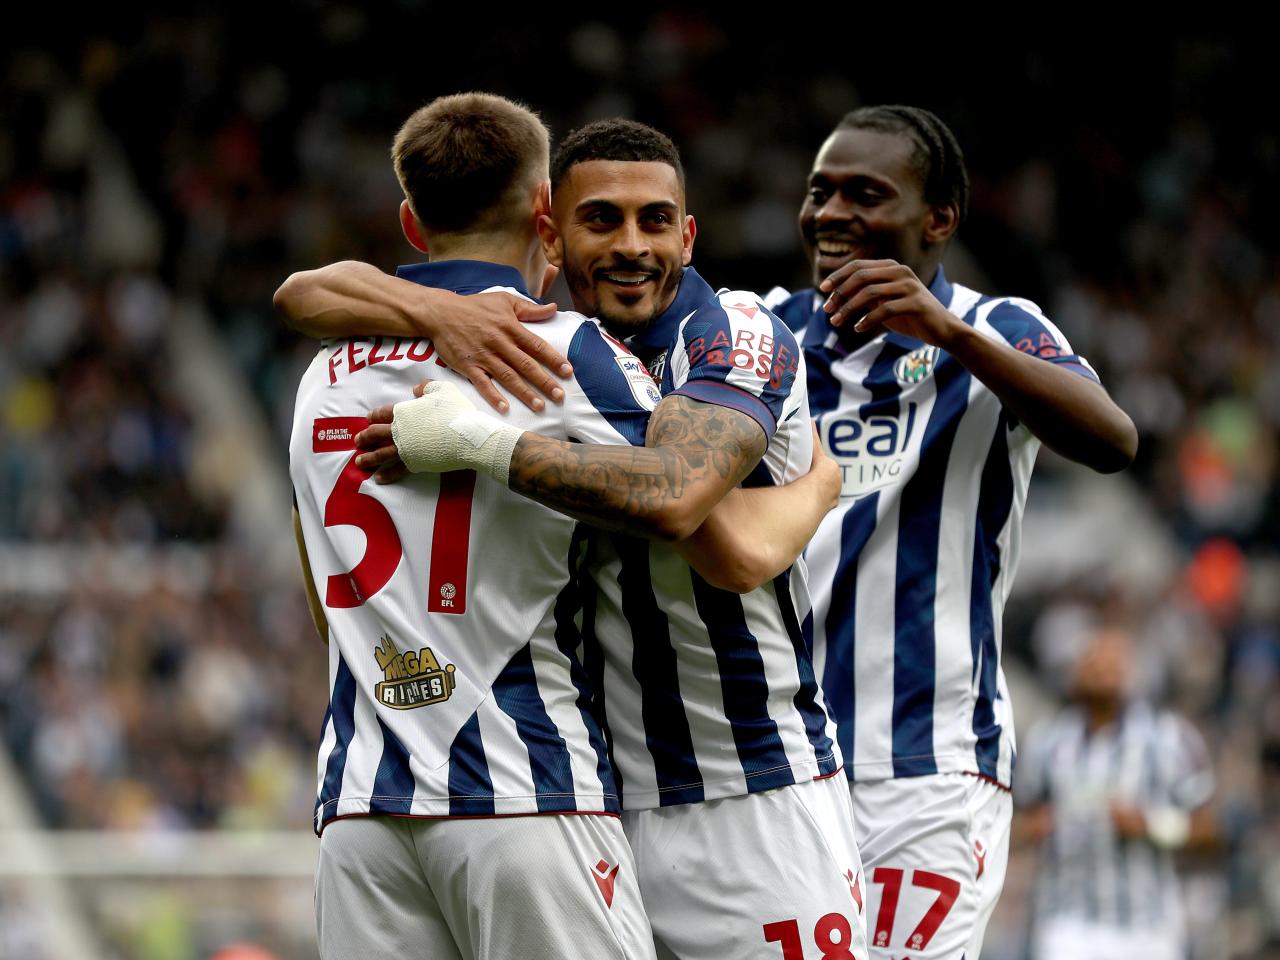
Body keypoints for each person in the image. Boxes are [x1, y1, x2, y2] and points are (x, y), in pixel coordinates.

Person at [283, 118, 868, 960]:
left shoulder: (734, 331)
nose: (632, 246)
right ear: (549, 227)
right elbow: (304, 289)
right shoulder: (554, 355)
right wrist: (821, 482)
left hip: (744, 792)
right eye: (603, 220)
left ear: (689, 232)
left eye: (656, 221)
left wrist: (817, 487)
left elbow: (724, 541)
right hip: (570, 792)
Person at [289, 91, 669, 960]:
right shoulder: (564, 347)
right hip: (524, 788)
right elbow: (681, 497)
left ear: (410, 224)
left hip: (360, 814)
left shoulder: (321, 378)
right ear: (547, 212)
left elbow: (323, 604)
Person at [763, 104, 1139, 960]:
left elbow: (1113, 440)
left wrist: (951, 337)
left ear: (938, 221)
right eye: (821, 192)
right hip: (778, 761)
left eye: (866, 194)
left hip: (927, 764)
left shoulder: (996, 326)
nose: (831, 214)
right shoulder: (766, 335)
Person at [1015, 626, 1216, 960]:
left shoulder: (1168, 738)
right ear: (1074, 672)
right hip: (1065, 921)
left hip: (1147, 925)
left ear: (1132, 672)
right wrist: (1033, 827)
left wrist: (1152, 826)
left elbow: (1210, 831)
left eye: (1113, 661)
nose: (1103, 670)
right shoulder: (1046, 742)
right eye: (1094, 660)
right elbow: (1014, 825)